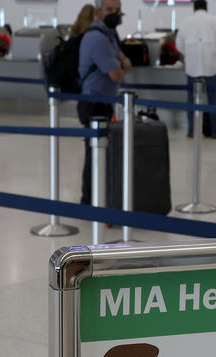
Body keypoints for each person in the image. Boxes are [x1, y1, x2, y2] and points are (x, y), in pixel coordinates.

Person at [77, 0, 132, 205]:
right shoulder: (97, 38)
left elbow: (126, 64)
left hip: (103, 102)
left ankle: (97, 196)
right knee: (94, 154)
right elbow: (118, 73)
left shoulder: (110, 36)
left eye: (117, 11)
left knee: (100, 152)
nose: (115, 14)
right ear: (98, 13)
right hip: (94, 103)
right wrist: (121, 65)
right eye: (110, 10)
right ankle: (90, 199)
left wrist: (121, 64)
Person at [176, 0, 216, 139]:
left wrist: (189, 54)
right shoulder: (215, 21)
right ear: (206, 7)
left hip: (192, 67)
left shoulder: (186, 22)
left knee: (191, 100)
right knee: (213, 100)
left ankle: (192, 131)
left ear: (194, 8)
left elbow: (179, 45)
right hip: (212, 66)